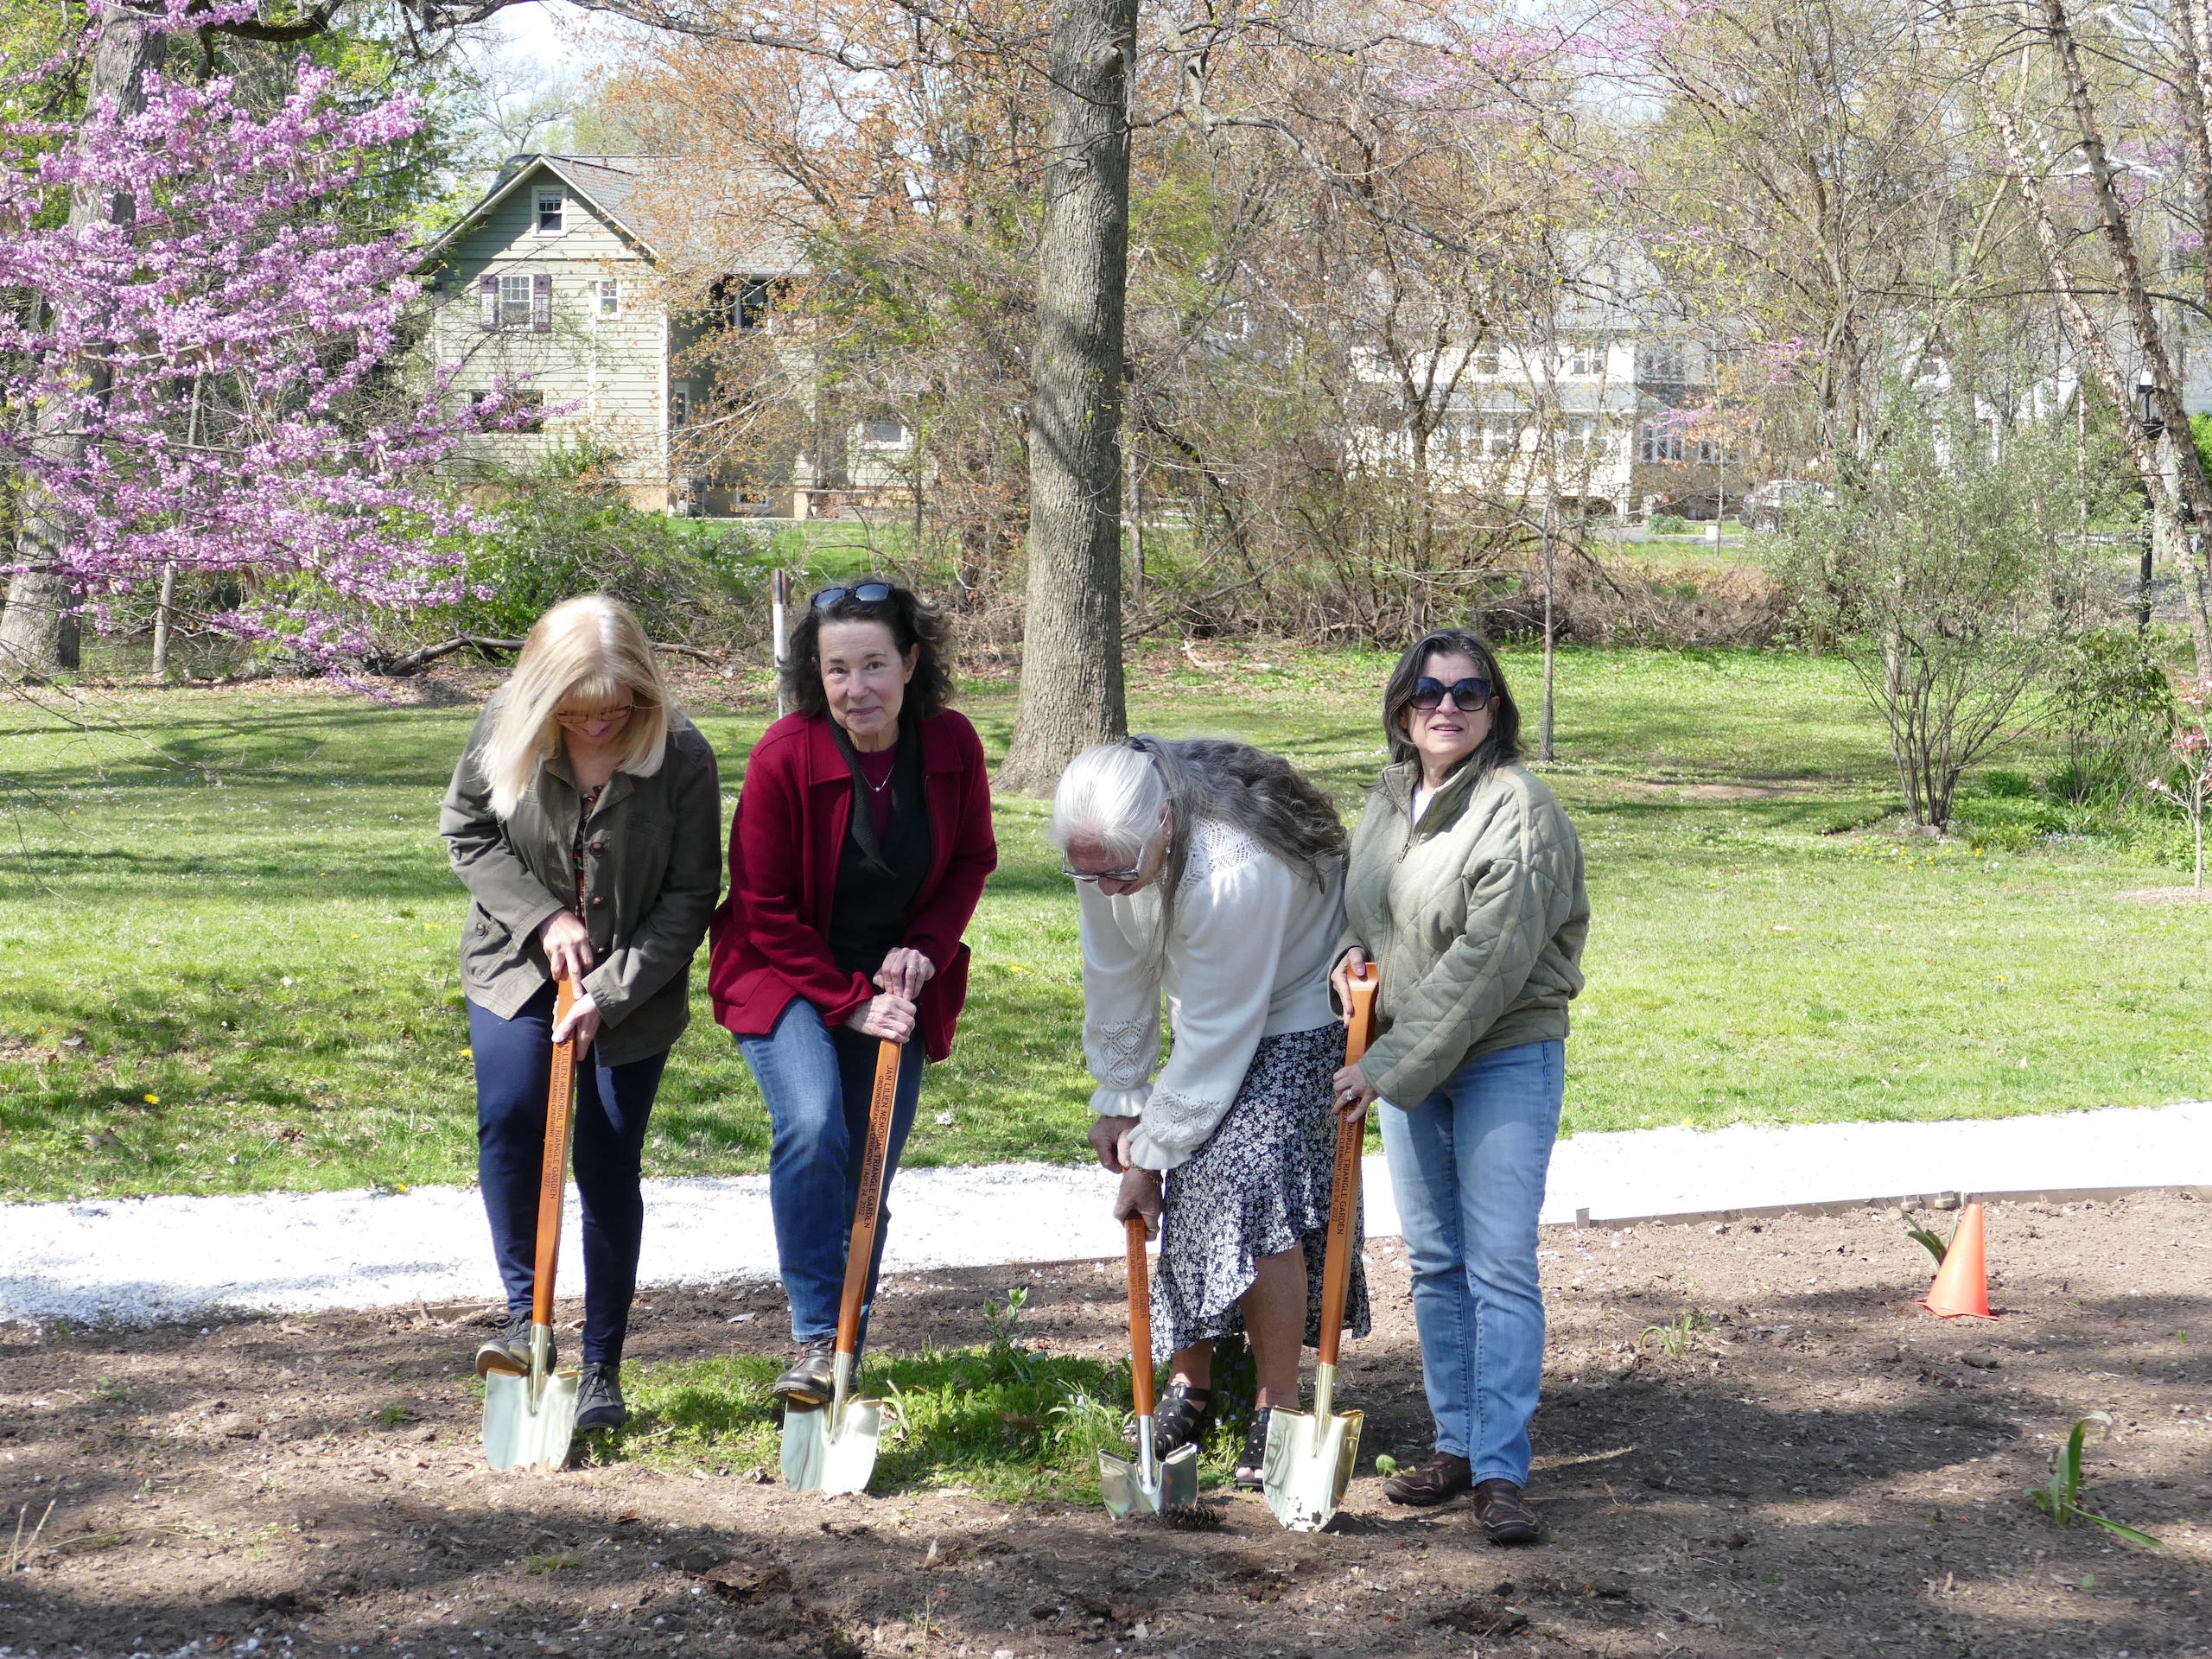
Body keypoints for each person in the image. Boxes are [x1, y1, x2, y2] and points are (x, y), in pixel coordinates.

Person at [440, 594, 724, 1433]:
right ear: (544, 697)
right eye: (578, 713)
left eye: (615, 712)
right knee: (510, 1118)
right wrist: (542, 917)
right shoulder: (505, 723)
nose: (599, 729)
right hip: (514, 969)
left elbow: (689, 895)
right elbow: (467, 831)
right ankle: (525, 1326)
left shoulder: (680, 753)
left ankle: (602, 1365)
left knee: (605, 1162)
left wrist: (610, 989)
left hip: (632, 989)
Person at [709, 580, 996, 1406]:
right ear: (816, 674)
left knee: (869, 1166)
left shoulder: (951, 745)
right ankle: (811, 1335)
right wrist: (848, 1001)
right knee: (811, 1124)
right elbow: (762, 906)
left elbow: (972, 860)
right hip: (783, 970)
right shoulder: (783, 755)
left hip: (894, 979)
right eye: (837, 670)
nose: (855, 689)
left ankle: (841, 1354)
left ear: (910, 663)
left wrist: (925, 951)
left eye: (874, 665)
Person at [1330, 628, 1589, 1544]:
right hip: (1404, 1054)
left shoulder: (1518, 808)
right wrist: (1348, 960)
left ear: (1494, 709)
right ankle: (1453, 1442)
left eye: (1470, 692)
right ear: (1402, 705)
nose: (1448, 706)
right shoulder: (1388, 799)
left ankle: (1499, 1470)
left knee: (1499, 1264)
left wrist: (1384, 1067)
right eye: (1430, 690)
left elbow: (1491, 960)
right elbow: (1354, 908)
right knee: (1437, 1263)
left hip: (1499, 1057)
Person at [1053, 736, 1368, 1491]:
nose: (1106, 887)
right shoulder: (1106, 848)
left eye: (1120, 872)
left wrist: (1153, 1152)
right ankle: (1192, 1387)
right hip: (1218, 1005)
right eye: (1085, 871)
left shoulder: (1235, 867)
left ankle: (1279, 1404)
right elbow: (1116, 969)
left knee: (1247, 1177)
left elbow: (1219, 1036)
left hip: (1297, 1006)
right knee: (1193, 1165)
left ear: (1164, 822)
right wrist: (1120, 1099)